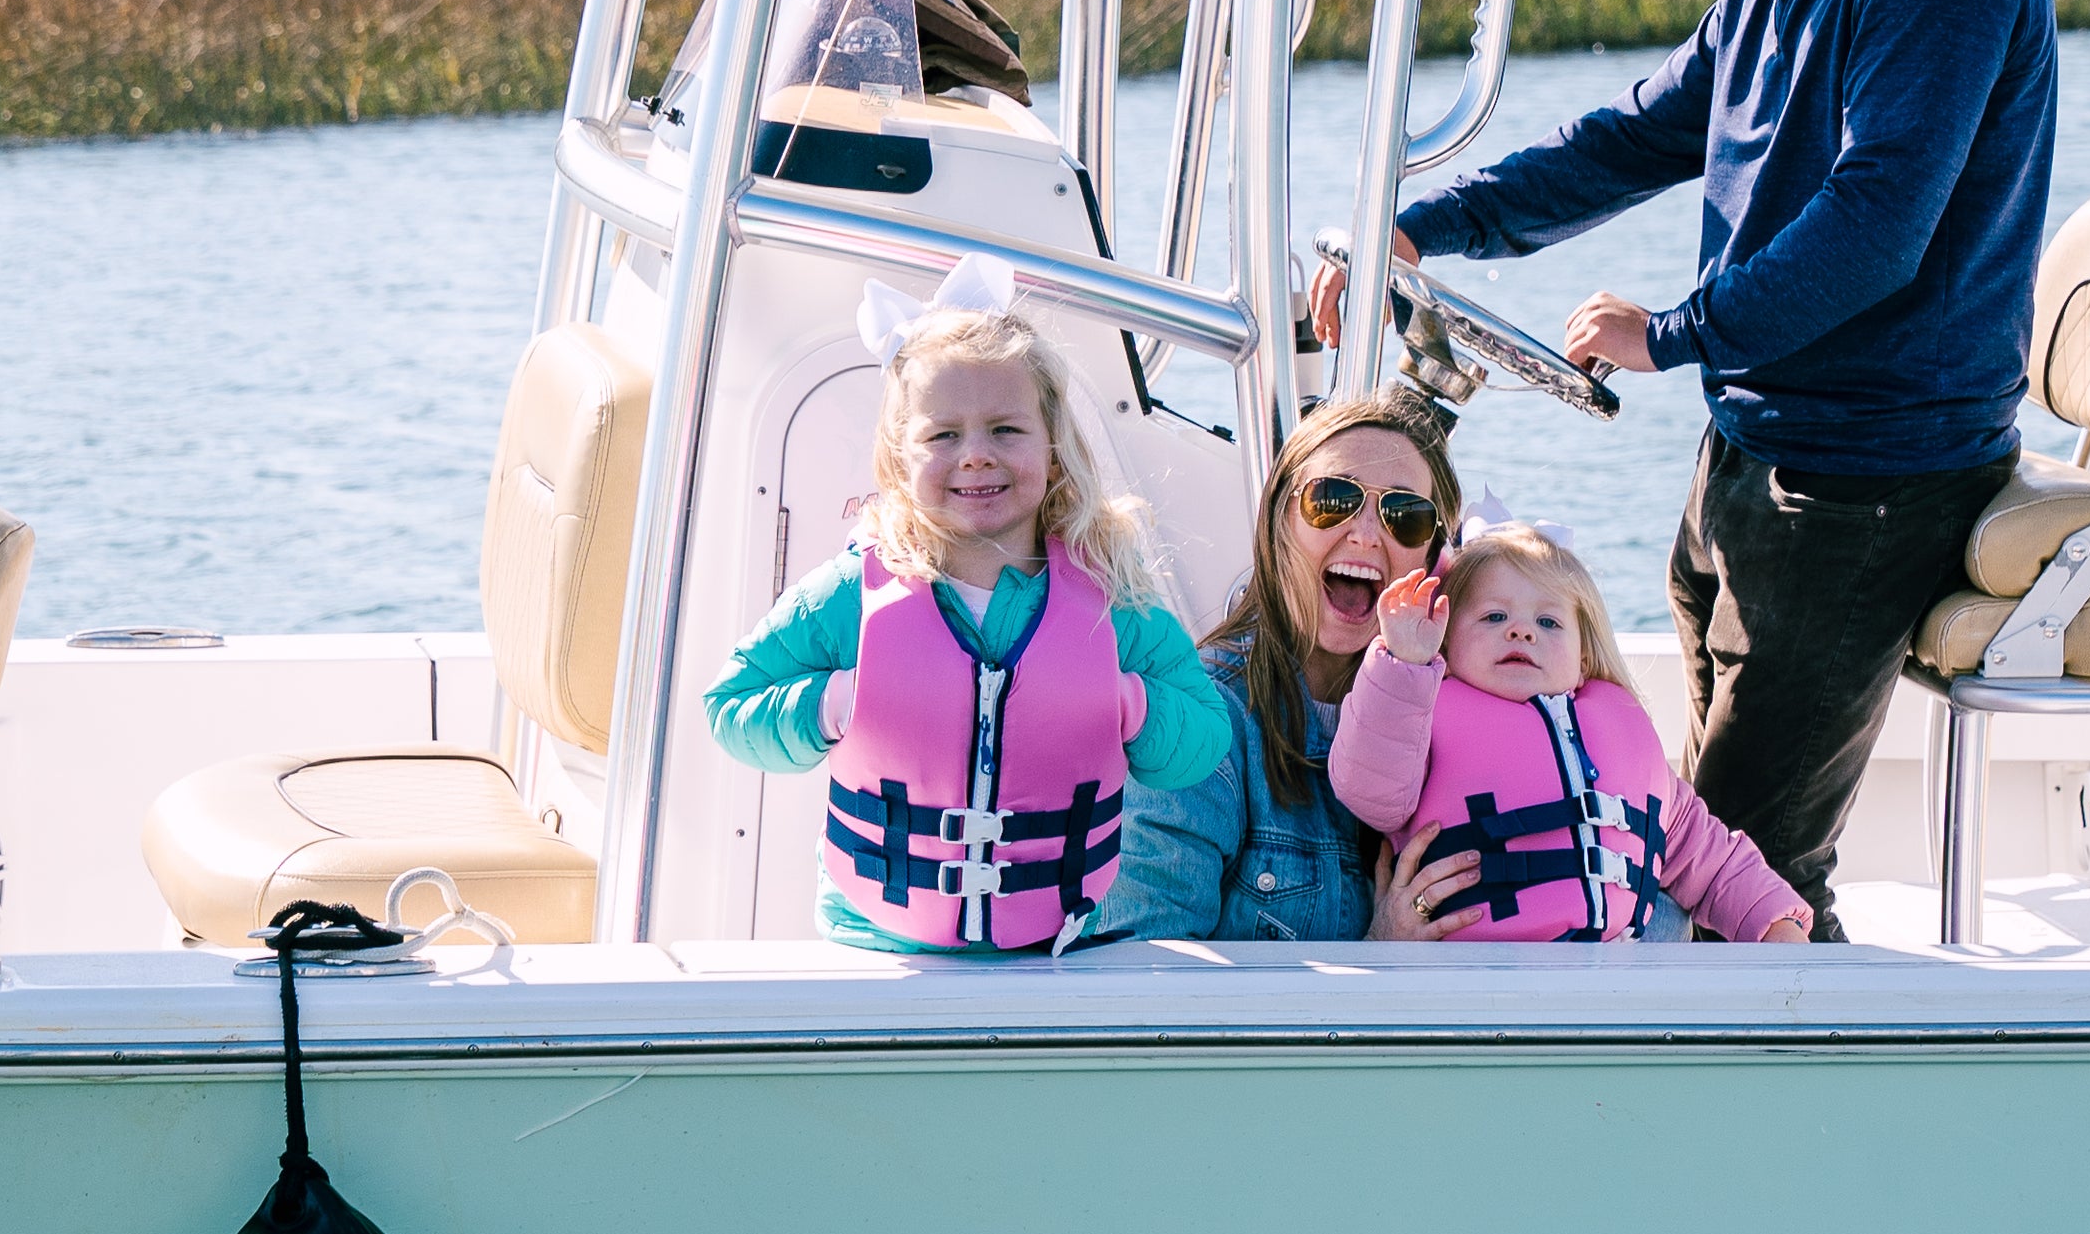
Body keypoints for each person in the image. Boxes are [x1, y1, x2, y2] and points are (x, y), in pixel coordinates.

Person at [1323, 0, 2054, 934]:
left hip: (1868, 486)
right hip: (1752, 464)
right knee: (1691, 837)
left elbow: (1877, 221)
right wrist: (1431, 227)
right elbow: (1649, 131)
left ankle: (1810, 1114)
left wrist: (1675, 331)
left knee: (1746, 878)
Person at [707, 286, 1228, 953]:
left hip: (1053, 950)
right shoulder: (847, 596)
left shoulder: (1112, 602)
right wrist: (832, 704)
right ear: (900, 458)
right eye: (943, 435)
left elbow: (1204, 737)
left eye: (1005, 430)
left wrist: (1130, 705)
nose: (975, 454)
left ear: (1054, 449)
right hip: (874, 947)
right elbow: (731, 705)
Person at [1098, 381, 1467, 942]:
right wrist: (1382, 957)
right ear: (1278, 521)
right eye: (1332, 500)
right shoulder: (1201, 723)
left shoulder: (1470, 709)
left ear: (1433, 554)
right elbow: (1148, 984)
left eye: (1406, 515)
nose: (1366, 534)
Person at [1335, 522, 1813, 944]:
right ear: (1446, 639)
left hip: (1614, 971)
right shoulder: (1418, 713)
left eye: (1548, 622)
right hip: (1476, 975)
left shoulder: (1621, 730)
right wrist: (1402, 664)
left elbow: (1708, 855)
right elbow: (1369, 790)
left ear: (1583, 656)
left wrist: (1775, 923)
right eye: (1493, 617)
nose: (1522, 632)